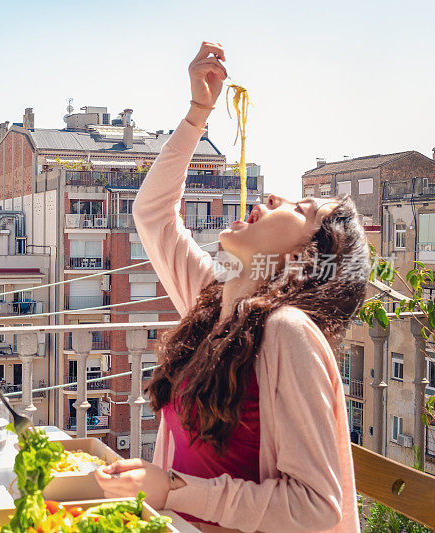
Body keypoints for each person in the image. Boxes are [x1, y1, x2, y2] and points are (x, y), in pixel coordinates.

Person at [95, 42, 368, 532]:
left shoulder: (287, 332)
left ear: (306, 257)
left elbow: (316, 509)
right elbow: (153, 215)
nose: (275, 196)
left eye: (302, 209)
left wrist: (173, 489)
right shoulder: (215, 304)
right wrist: (199, 111)